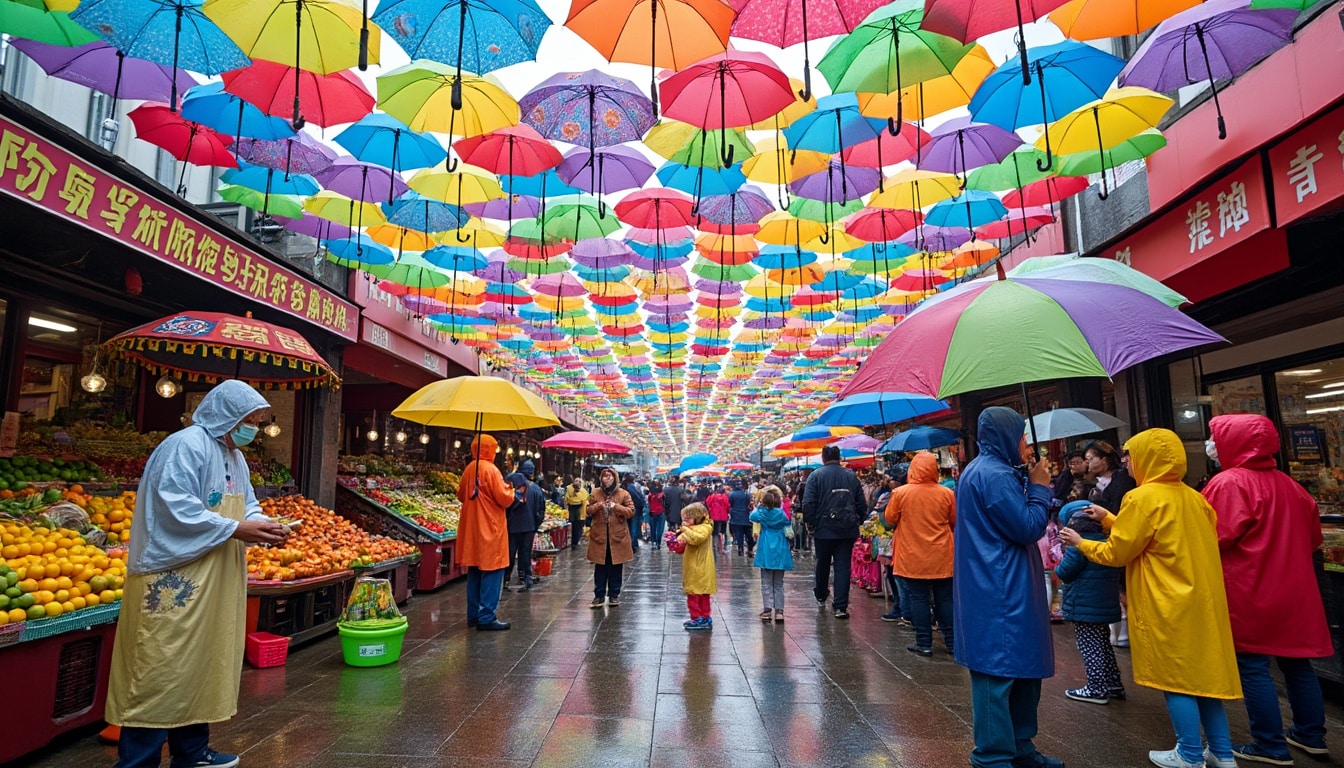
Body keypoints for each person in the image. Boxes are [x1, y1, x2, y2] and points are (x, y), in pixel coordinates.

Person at [107, 380, 290, 768]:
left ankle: (192, 752)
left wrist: (265, 525)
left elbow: (247, 504)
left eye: (257, 422)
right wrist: (236, 529)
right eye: (250, 421)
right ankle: (138, 759)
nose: (254, 429)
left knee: (202, 662)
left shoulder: (234, 455)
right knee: (161, 667)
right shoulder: (184, 446)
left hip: (216, 575)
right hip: (174, 576)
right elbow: (175, 506)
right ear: (228, 416)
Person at [1060, 428, 1241, 768]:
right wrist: (1111, 519)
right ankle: (1222, 752)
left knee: (1177, 680)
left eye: (1131, 455)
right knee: (1206, 681)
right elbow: (1157, 536)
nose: (1127, 462)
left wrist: (1080, 543)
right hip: (1202, 600)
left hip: (1166, 600)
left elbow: (1119, 551)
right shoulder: (1194, 497)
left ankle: (1188, 753)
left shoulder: (1141, 498)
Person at [1201, 414, 1333, 764]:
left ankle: (1269, 744)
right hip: (1295, 591)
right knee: (1297, 664)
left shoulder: (1228, 483)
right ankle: (1311, 735)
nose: (1210, 444)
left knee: (1253, 666)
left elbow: (1212, 538)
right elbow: (1313, 540)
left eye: (1214, 437)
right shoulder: (1292, 487)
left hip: (1249, 589)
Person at [953, 407, 1061, 768]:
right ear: (1006, 437)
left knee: (1021, 671)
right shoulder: (994, 476)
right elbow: (1028, 526)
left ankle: (1019, 747)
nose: (1027, 446)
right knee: (997, 676)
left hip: (1005, 582)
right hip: (999, 587)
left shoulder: (991, 472)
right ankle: (995, 755)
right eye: (1022, 437)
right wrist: (1041, 488)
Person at [885, 451, 956, 657]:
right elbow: (954, 520)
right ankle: (952, 643)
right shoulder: (946, 493)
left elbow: (890, 518)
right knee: (944, 599)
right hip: (942, 555)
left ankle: (924, 643)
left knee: (919, 599)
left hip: (913, 556)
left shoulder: (901, 493)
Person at [1053, 501, 1124, 705]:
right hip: (1104, 603)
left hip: (1084, 604)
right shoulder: (1108, 541)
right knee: (1102, 644)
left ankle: (1096, 688)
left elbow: (1065, 571)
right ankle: (1113, 683)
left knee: (1089, 645)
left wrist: (1058, 567)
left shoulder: (1079, 545)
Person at [456, 434, 515, 632]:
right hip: (490, 527)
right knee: (493, 570)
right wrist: (511, 489)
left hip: (472, 528)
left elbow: (461, 494)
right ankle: (487, 616)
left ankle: (473, 614)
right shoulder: (491, 469)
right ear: (490, 449)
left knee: (474, 571)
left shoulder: (469, 468)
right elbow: (504, 498)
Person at [801, 444, 868, 620]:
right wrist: (858, 519)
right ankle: (840, 606)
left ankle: (822, 594)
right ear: (839, 457)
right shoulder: (851, 476)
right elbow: (862, 503)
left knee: (822, 563)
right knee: (842, 567)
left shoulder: (816, 476)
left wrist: (811, 523)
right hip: (847, 529)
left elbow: (808, 503)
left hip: (823, 529)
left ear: (823, 458)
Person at [1084, 439, 1137, 648]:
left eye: (1091, 459)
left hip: (1118, 537)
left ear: (1104, 460)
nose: (1088, 463)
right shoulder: (1094, 482)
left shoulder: (1122, 481)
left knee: (1124, 587)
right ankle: (1123, 632)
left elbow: (1121, 514)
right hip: (1106, 538)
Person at [587, 468, 634, 607]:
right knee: (600, 567)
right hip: (600, 536)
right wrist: (598, 506)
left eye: (610, 476)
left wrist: (616, 507)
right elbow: (588, 510)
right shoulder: (595, 492)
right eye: (605, 476)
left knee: (616, 567)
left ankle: (614, 594)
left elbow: (631, 511)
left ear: (615, 478)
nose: (607, 479)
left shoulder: (623, 494)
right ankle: (599, 595)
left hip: (617, 537)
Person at [751, 489, 794, 623]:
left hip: (766, 548)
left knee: (766, 582)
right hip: (780, 548)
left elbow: (752, 516)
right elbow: (788, 526)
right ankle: (780, 611)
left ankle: (767, 610)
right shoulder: (781, 514)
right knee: (779, 583)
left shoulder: (762, 513)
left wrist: (759, 506)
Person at [503, 461, 546, 592]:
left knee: (509, 553)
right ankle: (525, 577)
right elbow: (541, 511)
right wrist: (535, 524)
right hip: (529, 527)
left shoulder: (511, 485)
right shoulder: (536, 489)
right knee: (525, 553)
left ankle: (506, 578)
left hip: (512, 527)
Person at [677, 502, 716, 630]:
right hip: (694, 566)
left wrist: (684, 529)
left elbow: (697, 538)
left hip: (700, 567)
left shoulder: (705, 528)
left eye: (688, 518)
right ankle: (703, 617)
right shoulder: (692, 529)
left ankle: (698, 617)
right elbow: (682, 544)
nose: (685, 521)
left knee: (696, 594)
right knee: (698, 593)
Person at [728, 481, 754, 556]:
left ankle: (740, 548)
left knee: (739, 534)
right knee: (747, 533)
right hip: (745, 516)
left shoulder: (731, 494)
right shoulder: (746, 494)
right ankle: (750, 547)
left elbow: (731, 503)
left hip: (735, 516)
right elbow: (748, 504)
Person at [623, 473, 647, 552]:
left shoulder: (624, 487)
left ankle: (632, 544)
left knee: (629, 528)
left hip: (626, 510)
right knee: (634, 528)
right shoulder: (632, 487)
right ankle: (633, 545)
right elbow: (639, 498)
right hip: (634, 510)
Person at [565, 477, 589, 551]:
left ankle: (574, 543)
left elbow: (566, 500)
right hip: (581, 514)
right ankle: (575, 543)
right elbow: (586, 500)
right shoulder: (584, 492)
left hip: (574, 513)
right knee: (578, 528)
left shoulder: (569, 490)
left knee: (575, 528)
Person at [707, 485, 730, 553]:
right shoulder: (724, 497)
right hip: (723, 516)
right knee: (722, 532)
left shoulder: (712, 496)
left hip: (714, 516)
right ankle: (721, 548)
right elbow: (728, 506)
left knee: (715, 532)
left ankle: (714, 546)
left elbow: (708, 503)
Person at [647, 480, 667, 549]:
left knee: (653, 528)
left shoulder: (650, 495)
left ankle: (653, 542)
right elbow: (665, 504)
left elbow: (649, 504)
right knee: (660, 529)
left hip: (652, 513)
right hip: (661, 512)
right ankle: (658, 542)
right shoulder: (662, 494)